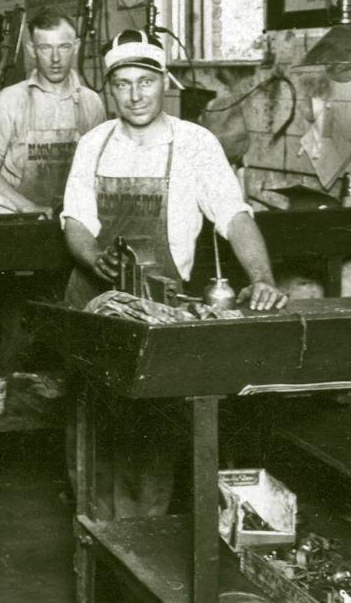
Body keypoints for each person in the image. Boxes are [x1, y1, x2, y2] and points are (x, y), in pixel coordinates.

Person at [60, 30, 287, 520]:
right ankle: (93, 540)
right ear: (109, 89)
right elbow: (74, 220)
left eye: (145, 81)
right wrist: (93, 255)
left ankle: (139, 551)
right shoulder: (93, 144)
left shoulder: (195, 144)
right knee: (90, 434)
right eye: (123, 84)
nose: (136, 95)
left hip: (156, 310)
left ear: (163, 81)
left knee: (149, 436)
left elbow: (234, 216)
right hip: (91, 306)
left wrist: (263, 277)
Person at [0, 7, 105, 216]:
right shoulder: (12, 99)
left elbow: (100, 170)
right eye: (45, 48)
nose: (55, 58)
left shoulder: (91, 102)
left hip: (73, 218)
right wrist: (27, 208)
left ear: (76, 46)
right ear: (32, 49)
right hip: (19, 218)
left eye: (64, 47)